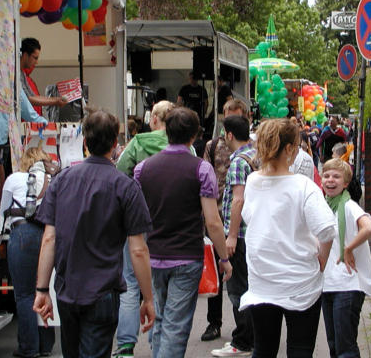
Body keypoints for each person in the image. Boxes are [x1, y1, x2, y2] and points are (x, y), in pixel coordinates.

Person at [33, 108, 155, 358]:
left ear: (85, 142)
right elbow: (138, 250)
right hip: (103, 292)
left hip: (67, 290)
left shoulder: (61, 180)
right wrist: (148, 298)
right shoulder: (126, 186)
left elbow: (49, 238)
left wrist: (42, 290)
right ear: (115, 143)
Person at [134, 107, 232, 358]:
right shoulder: (201, 169)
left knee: (159, 318)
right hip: (187, 255)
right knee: (176, 326)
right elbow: (212, 221)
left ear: (166, 131)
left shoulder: (142, 169)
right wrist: (223, 258)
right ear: (194, 135)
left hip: (153, 255)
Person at [239, 118, 337, 357]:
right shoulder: (303, 186)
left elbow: (249, 217)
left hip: (262, 281)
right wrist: (322, 259)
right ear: (290, 149)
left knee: (264, 349)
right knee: (300, 350)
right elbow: (326, 229)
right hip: (300, 282)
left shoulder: (252, 182)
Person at [112, 100, 174, 358]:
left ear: (154, 119)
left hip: (136, 220)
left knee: (130, 282)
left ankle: (126, 346)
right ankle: (157, 343)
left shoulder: (137, 143)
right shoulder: (183, 146)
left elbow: (119, 175)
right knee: (160, 283)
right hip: (168, 222)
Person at [0, 147, 56, 358]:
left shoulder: (14, 178)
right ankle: (46, 345)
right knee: (44, 289)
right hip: (47, 234)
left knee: (24, 294)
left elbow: (3, 209)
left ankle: (28, 347)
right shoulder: (52, 180)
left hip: (22, 234)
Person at [201, 99, 249, 343]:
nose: (229, 116)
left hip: (237, 221)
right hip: (216, 215)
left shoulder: (248, 149)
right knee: (216, 270)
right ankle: (214, 323)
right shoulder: (213, 145)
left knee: (240, 275)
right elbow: (205, 175)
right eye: (227, 113)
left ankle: (244, 328)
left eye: (234, 114)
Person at [211, 115, 257, 357]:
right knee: (250, 286)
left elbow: (237, 198)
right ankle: (252, 337)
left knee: (238, 289)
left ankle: (243, 340)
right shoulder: (256, 154)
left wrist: (231, 235)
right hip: (252, 232)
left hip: (240, 236)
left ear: (229, 135)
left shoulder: (239, 162)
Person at [320, 158, 371, 358]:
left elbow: (369, 228)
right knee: (334, 344)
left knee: (345, 347)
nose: (330, 180)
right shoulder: (324, 207)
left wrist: (349, 248)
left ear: (345, 183)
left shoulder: (349, 206)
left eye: (336, 176)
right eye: (326, 176)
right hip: (328, 284)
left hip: (348, 284)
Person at [20, 38, 67, 115]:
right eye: (35, 58)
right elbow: (29, 99)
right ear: (25, 55)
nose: (37, 62)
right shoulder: (16, 74)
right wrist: (55, 101)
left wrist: (56, 99)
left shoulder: (22, 74)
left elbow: (33, 96)